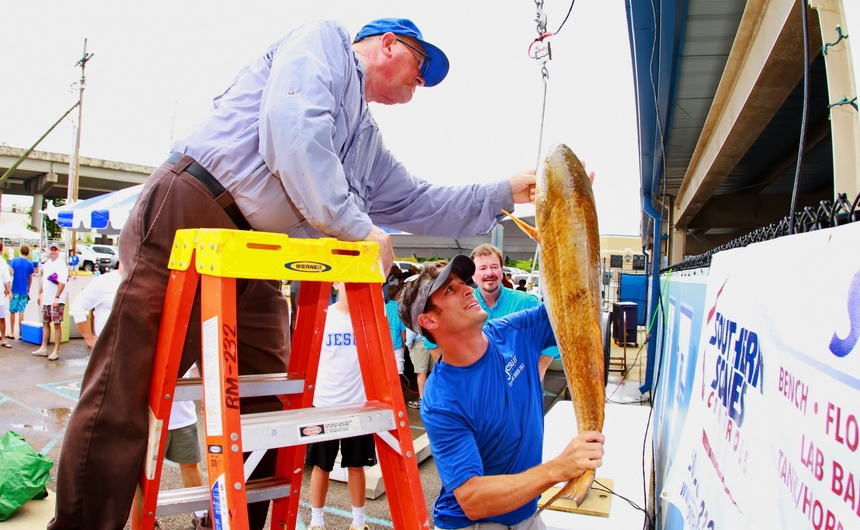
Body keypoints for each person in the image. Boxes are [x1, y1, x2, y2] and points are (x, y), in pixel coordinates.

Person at [50, 17, 536, 530]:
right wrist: (356, 228)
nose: (423, 79)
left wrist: (503, 193)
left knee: (270, 395)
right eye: (422, 64)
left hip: (254, 253)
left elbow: (418, 200)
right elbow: (294, 129)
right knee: (126, 387)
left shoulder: (365, 138)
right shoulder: (323, 42)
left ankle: (232, 523)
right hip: (192, 213)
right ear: (389, 45)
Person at [397, 256, 604, 529]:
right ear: (429, 320)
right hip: (476, 524)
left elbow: (578, 307)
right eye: (450, 289)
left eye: (462, 282)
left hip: (527, 511)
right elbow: (472, 499)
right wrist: (558, 469)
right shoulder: (441, 401)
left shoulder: (516, 331)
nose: (467, 289)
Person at [69, 263, 209, 529]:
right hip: (141, 405)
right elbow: (78, 306)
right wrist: (91, 339)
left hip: (180, 406)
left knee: (190, 464)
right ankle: (145, 522)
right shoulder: (110, 283)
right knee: (142, 474)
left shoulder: (170, 283)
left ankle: (201, 516)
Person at [306, 282, 375, 530]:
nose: (351, 284)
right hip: (325, 403)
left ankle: (359, 522)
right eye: (346, 279)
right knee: (321, 465)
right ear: (336, 283)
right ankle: (317, 521)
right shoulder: (323, 317)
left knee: (356, 465)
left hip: (358, 405)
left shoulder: (369, 318)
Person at [469, 244, 559, 380]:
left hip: (520, 394)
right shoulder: (464, 305)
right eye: (482, 268)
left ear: (502, 271)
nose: (489, 273)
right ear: (473, 276)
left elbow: (554, 336)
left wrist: (533, 378)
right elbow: (435, 341)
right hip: (479, 392)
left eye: (494, 267)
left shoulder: (527, 302)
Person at [32, 242, 67, 361]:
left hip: (56, 300)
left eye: (55, 249)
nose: (53, 251)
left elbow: (62, 281)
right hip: (46, 299)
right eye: (51, 249)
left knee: (56, 324)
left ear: (58, 251)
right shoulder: (47, 264)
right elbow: (43, 280)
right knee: (45, 323)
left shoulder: (61, 264)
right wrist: (39, 293)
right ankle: (43, 347)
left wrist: (57, 297)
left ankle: (56, 350)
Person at [8, 244, 36, 341]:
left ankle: (12, 332)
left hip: (15, 289)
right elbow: (30, 278)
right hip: (24, 290)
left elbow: (10, 273)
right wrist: (28, 288)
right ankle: (20, 333)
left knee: (12, 311)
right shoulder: (30, 264)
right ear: (28, 253)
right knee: (21, 311)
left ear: (20, 251)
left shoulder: (14, 261)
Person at [385, 284, 407, 374]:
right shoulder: (400, 309)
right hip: (397, 343)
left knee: (387, 369)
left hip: (385, 344)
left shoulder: (383, 308)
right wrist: (404, 343)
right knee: (398, 371)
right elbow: (403, 330)